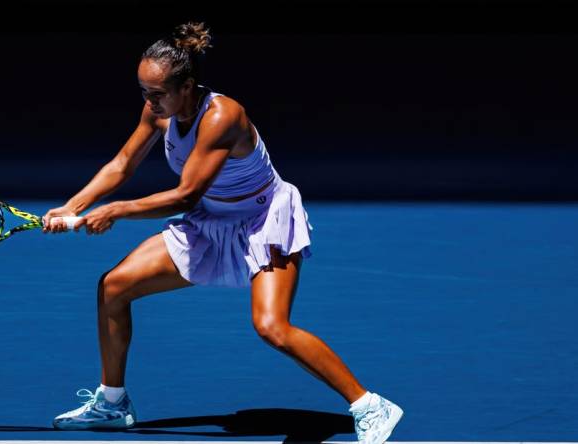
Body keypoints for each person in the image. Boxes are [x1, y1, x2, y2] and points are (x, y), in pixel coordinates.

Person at [41, 22, 403, 444]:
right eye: (143, 92)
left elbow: (186, 195)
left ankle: (369, 404)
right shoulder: (158, 111)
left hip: (261, 222)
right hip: (210, 222)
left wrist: (116, 211)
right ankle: (112, 402)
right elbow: (122, 164)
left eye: (157, 93)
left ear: (188, 86)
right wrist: (74, 206)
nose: (148, 102)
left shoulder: (223, 118)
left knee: (272, 326)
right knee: (114, 286)